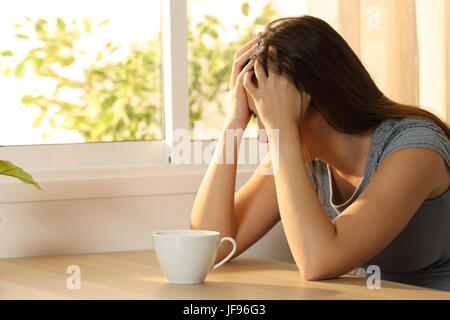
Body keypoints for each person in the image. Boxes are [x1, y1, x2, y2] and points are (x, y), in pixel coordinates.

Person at [189, 15, 450, 292]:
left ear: (312, 97)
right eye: (256, 116)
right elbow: (209, 247)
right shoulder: (301, 154)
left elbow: (318, 261)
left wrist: (284, 130)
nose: (264, 135)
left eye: (265, 113)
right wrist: (233, 123)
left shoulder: (415, 148)